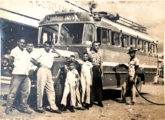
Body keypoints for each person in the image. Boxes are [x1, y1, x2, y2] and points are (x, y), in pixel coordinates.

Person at [5, 38, 32, 115]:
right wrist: (11, 70)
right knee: (13, 92)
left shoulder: (25, 52)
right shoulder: (14, 50)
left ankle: (23, 107)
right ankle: (8, 108)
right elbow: (11, 61)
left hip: (25, 74)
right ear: (18, 43)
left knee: (25, 92)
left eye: (24, 43)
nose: (22, 44)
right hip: (17, 74)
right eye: (21, 42)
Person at [33, 41, 61, 113]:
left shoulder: (51, 53)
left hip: (49, 71)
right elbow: (32, 59)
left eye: (49, 46)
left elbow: (59, 56)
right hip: (42, 69)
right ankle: (39, 107)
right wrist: (38, 64)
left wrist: (55, 50)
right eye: (47, 46)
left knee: (51, 88)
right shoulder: (41, 52)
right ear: (44, 46)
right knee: (40, 88)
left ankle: (53, 106)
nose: (48, 48)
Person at [88, 41, 103, 107]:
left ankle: (100, 101)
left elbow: (101, 64)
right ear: (93, 46)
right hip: (92, 69)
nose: (97, 47)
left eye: (98, 45)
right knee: (92, 86)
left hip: (98, 70)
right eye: (95, 45)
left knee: (99, 87)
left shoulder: (100, 54)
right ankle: (91, 102)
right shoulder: (90, 53)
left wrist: (102, 73)